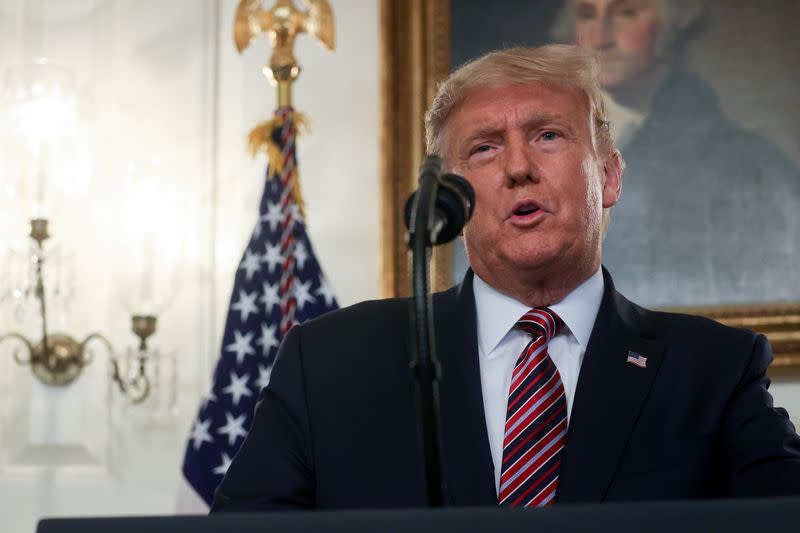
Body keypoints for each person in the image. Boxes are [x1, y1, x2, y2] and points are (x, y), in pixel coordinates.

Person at [211, 45, 800, 511]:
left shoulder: (714, 371)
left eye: (547, 135)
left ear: (610, 176)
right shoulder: (330, 362)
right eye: (486, 149)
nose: (519, 167)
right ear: (454, 197)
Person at [551, 0, 800, 306]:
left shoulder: (749, 165)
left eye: (626, 13)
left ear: (672, 26)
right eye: (587, 15)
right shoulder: (536, 151)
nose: (601, 37)